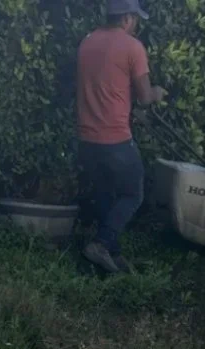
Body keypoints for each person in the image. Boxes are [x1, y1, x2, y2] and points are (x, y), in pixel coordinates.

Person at [75, 0, 165, 273]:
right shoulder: (132, 47)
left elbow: (105, 85)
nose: (135, 25)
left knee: (105, 194)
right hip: (115, 139)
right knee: (133, 194)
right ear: (126, 18)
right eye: (135, 19)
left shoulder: (87, 42)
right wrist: (158, 93)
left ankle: (110, 255)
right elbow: (145, 97)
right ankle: (101, 243)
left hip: (86, 138)